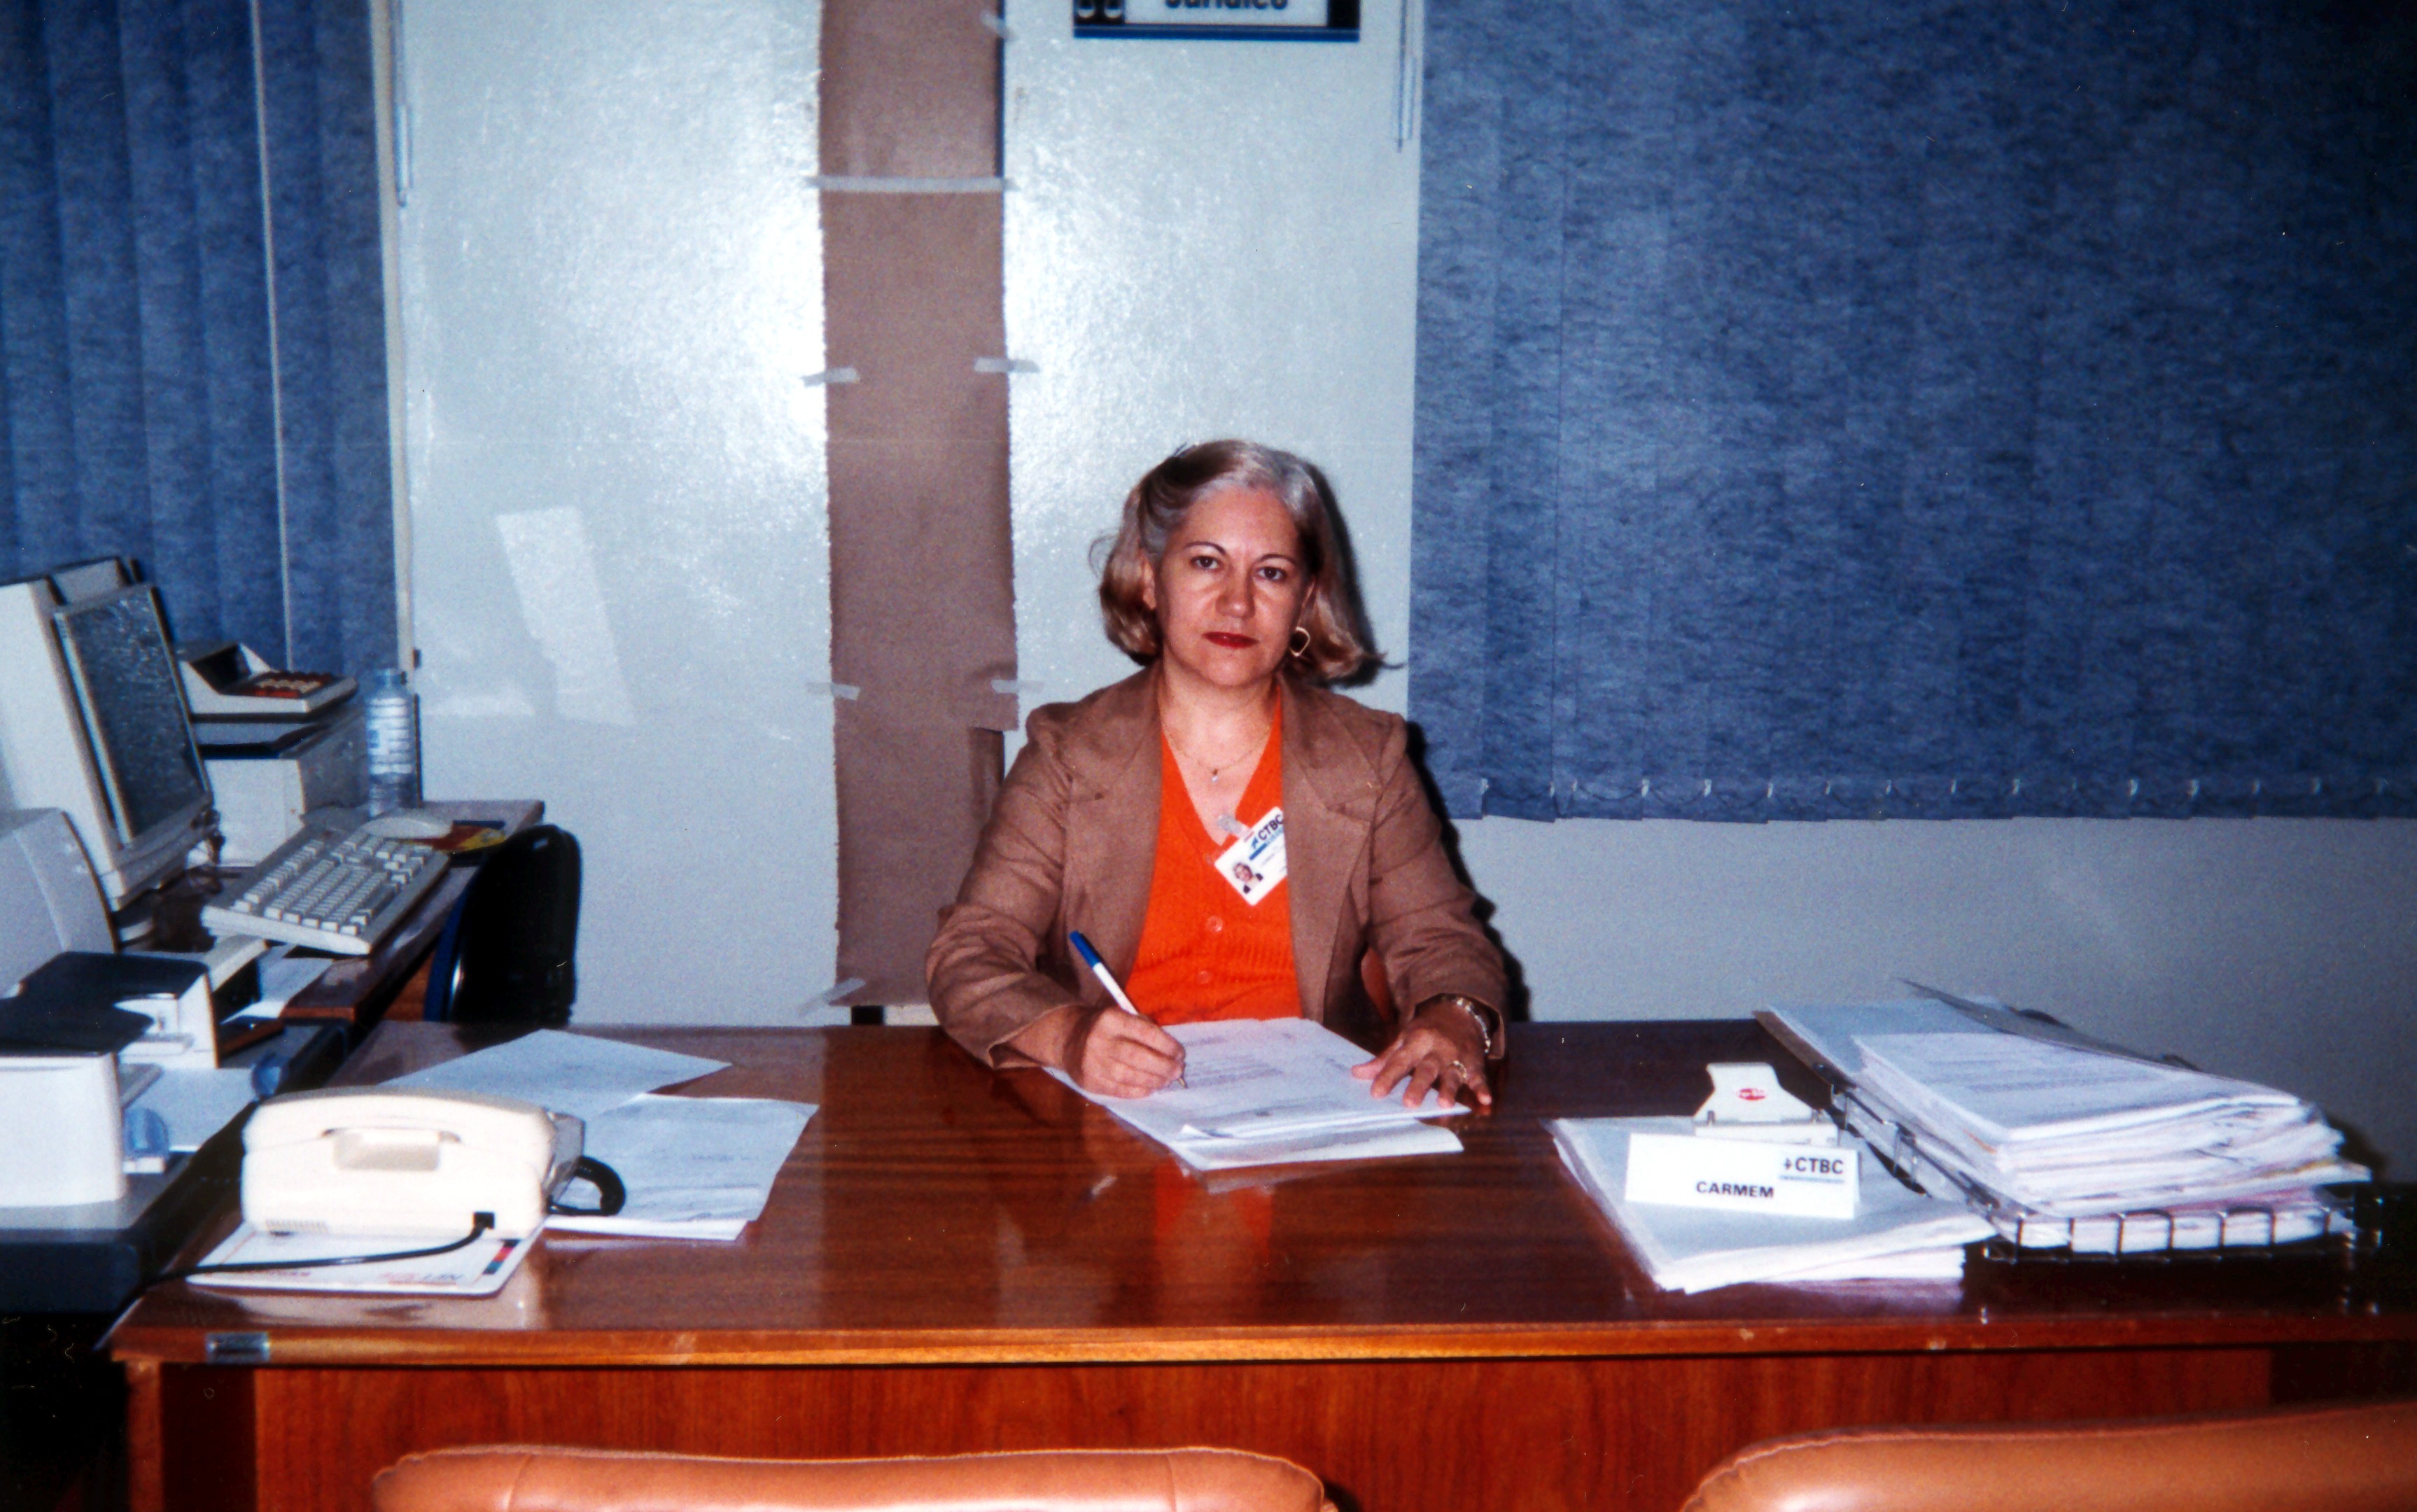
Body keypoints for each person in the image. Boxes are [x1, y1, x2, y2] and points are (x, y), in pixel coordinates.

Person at [925, 440, 1508, 1108]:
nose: (1237, 604)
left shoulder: (1366, 759)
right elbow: (970, 953)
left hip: (1313, 1118)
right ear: (1150, 579)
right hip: (1113, 1117)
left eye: (1271, 574)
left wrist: (1453, 1017)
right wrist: (1066, 1035)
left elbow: (1442, 942)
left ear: (1304, 599)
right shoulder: (1067, 756)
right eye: (1206, 563)